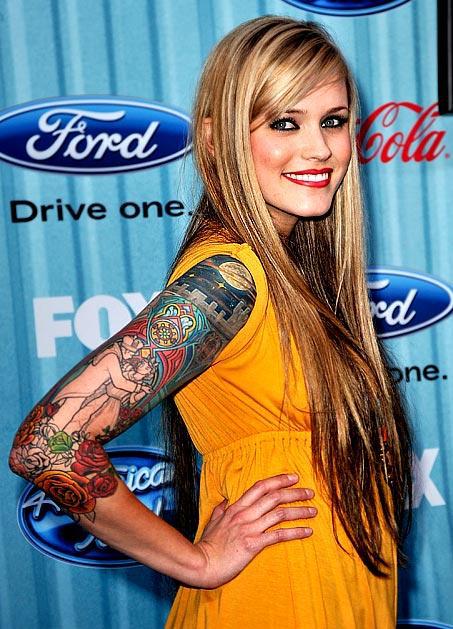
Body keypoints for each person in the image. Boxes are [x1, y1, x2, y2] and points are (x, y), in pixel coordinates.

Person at [9, 15, 412, 628]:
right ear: (218, 139)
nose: (320, 149)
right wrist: (196, 561)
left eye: (332, 121)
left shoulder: (295, 274)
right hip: (277, 601)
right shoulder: (230, 278)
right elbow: (47, 443)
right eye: (285, 123)